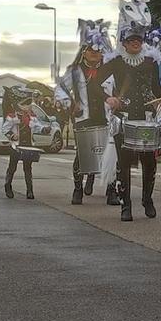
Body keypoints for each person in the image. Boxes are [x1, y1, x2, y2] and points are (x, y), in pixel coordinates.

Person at [104, 8, 161, 221]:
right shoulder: (116, 62)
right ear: (123, 41)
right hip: (124, 119)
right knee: (124, 164)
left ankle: (147, 200)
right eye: (131, 38)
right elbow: (94, 83)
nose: (135, 41)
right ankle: (126, 206)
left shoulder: (150, 62)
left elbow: (156, 89)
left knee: (149, 163)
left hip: (147, 119)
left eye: (139, 38)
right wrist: (109, 98)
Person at [57, 20, 115, 206]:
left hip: (106, 118)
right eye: (91, 50)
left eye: (98, 51)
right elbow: (60, 90)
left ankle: (111, 189)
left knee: (110, 155)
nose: (95, 54)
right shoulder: (74, 71)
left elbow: (119, 90)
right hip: (84, 117)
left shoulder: (111, 70)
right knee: (82, 155)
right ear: (84, 51)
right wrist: (70, 103)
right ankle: (78, 189)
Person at [2, 102, 39, 200]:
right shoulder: (13, 116)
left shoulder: (33, 117)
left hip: (28, 146)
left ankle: (29, 190)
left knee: (28, 169)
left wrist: (45, 129)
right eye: (26, 105)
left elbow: (38, 127)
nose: (28, 107)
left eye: (29, 105)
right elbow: (5, 129)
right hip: (16, 146)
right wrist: (12, 136)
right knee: (12, 167)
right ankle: (8, 186)